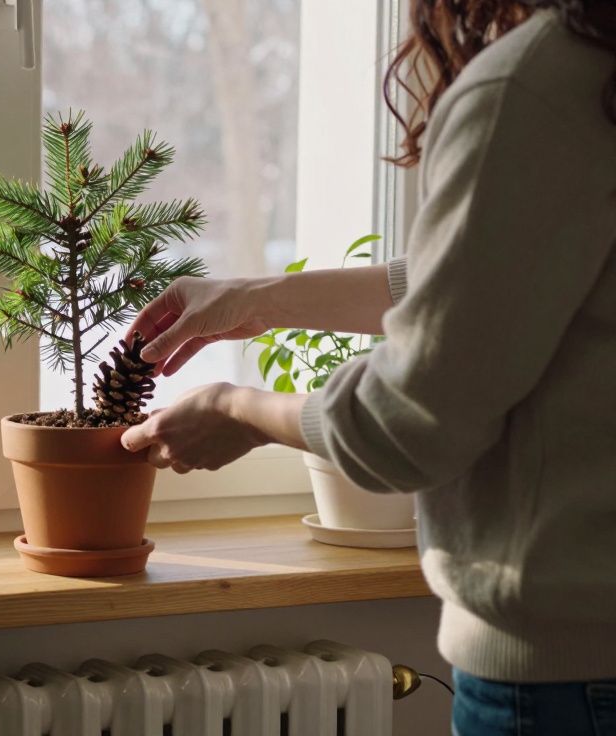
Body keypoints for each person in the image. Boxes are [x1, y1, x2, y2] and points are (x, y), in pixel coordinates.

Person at [120, 3, 616, 734]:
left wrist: (237, 411)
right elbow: (508, 274)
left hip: (569, 681)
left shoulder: (537, 85)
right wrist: (260, 297)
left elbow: (406, 425)